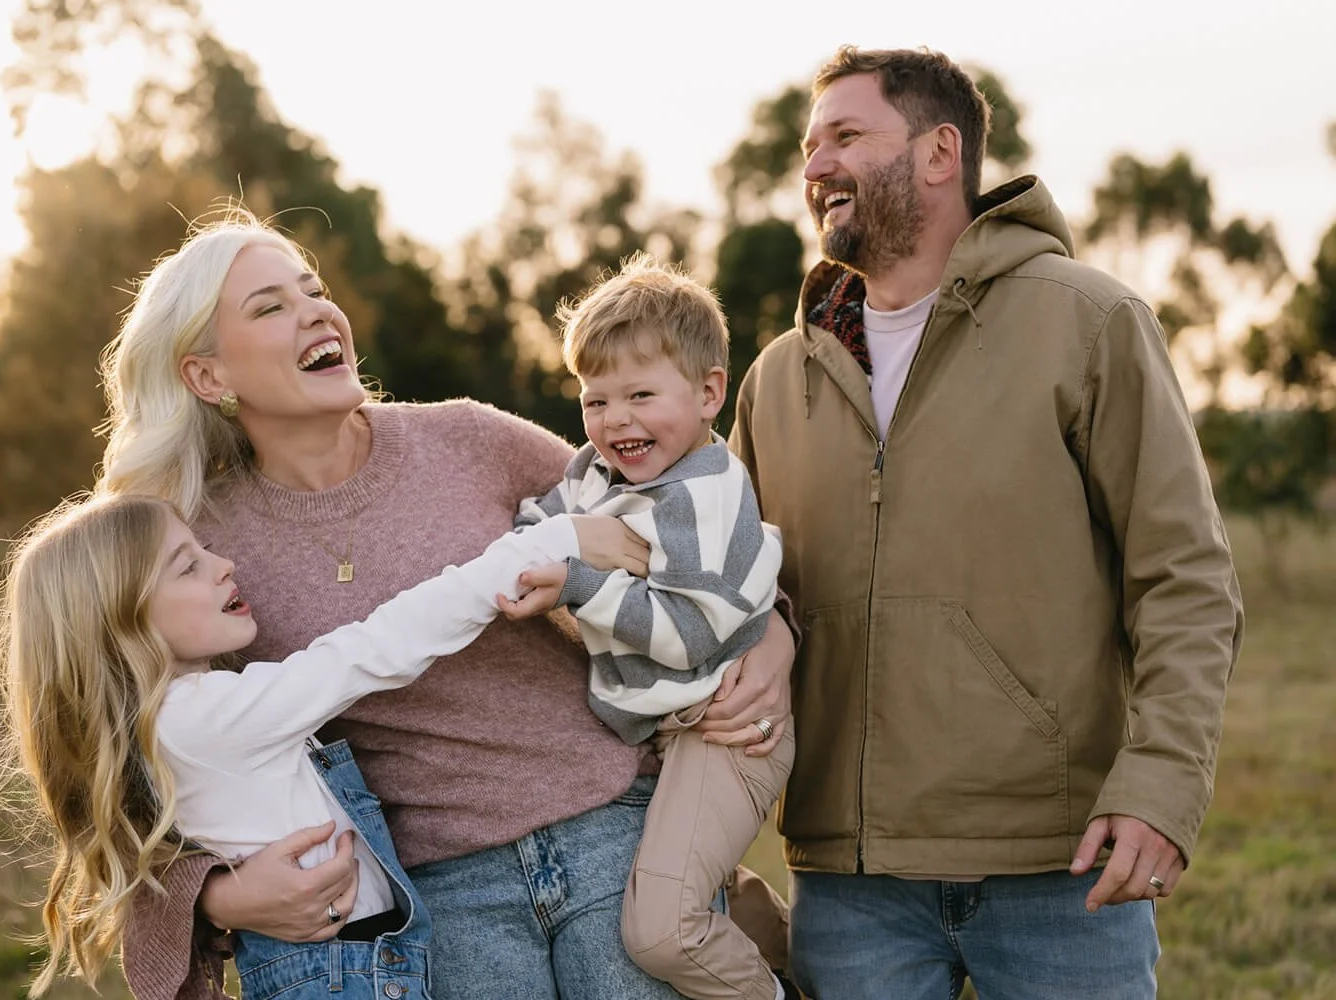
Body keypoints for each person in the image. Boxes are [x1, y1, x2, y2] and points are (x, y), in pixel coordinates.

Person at [95, 213, 796, 1000]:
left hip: (614, 830)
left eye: (314, 290)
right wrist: (215, 894)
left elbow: (696, 510)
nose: (317, 312)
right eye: (270, 307)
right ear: (208, 378)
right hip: (441, 894)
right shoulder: (199, 549)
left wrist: (775, 632)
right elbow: (129, 765)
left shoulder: (471, 439)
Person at [727, 46, 1243, 999]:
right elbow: (725, 598)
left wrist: (1161, 790)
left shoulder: (1088, 323)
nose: (813, 167)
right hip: (849, 880)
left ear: (939, 152)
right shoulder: (774, 379)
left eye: (846, 135)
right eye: (808, 148)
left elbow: (1185, 582)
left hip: (1058, 869)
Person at [0, 491, 583, 999]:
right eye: (186, 566)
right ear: (119, 622)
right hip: (341, 975)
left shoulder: (166, 723)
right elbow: (375, 649)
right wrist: (540, 547)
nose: (223, 564)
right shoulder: (198, 718)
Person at [499, 253, 796, 1000]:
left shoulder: (705, 493)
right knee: (698, 881)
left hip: (726, 729)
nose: (616, 420)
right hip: (665, 729)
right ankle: (792, 954)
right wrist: (529, 545)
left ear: (707, 393)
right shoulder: (598, 472)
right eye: (596, 400)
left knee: (660, 928)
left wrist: (577, 582)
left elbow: (687, 634)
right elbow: (540, 522)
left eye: (639, 395)